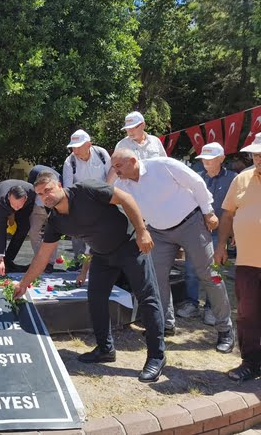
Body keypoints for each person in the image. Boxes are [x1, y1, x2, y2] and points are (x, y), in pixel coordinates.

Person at [13, 172, 166, 383]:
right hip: (102, 256)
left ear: (58, 185)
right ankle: (105, 349)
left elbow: (125, 198)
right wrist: (23, 284)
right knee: (96, 299)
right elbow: (42, 256)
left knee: (148, 299)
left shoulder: (86, 189)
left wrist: (142, 231)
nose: (45, 196)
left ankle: (156, 357)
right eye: (40, 194)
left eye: (48, 190)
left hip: (130, 245)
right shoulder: (55, 221)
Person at [111, 149, 234, 353]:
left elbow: (196, 182)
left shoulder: (162, 165)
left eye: (118, 166)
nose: (115, 171)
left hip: (192, 223)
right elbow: (123, 211)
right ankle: (165, 325)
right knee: (156, 278)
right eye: (113, 167)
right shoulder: (120, 185)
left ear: (133, 160)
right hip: (158, 233)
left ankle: (225, 329)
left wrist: (208, 211)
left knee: (210, 275)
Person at [215, 133, 261, 381]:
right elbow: (228, 215)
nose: (258, 158)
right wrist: (221, 244)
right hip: (247, 262)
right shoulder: (242, 179)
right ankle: (251, 363)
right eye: (255, 154)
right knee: (247, 314)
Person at [177, 142, 236, 324]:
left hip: (220, 233)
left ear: (221, 159)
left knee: (215, 271)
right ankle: (192, 304)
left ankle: (211, 308)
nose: (206, 162)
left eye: (210, 159)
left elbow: (235, 208)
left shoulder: (233, 179)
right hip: (195, 232)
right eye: (204, 159)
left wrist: (234, 233)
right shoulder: (196, 177)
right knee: (190, 270)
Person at [62, 129, 112, 274]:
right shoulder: (69, 161)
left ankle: (101, 263)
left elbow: (111, 174)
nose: (74, 150)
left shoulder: (101, 154)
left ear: (89, 144)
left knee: (103, 233)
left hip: (103, 199)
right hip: (81, 201)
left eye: (78, 146)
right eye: (73, 147)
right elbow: (68, 187)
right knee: (78, 234)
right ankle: (79, 263)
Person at [0, 180, 35, 275]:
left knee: (24, 227)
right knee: (1, 226)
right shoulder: (2, 201)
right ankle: (3, 259)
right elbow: (1, 230)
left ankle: (8, 259)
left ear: (25, 198)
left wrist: (16, 210)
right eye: (13, 205)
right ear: (9, 197)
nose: (15, 208)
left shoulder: (32, 192)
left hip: (25, 205)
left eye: (18, 205)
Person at [27, 165, 61, 273]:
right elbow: (30, 191)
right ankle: (40, 260)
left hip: (54, 205)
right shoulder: (34, 173)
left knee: (53, 234)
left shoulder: (59, 181)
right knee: (33, 232)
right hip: (38, 206)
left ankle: (50, 263)